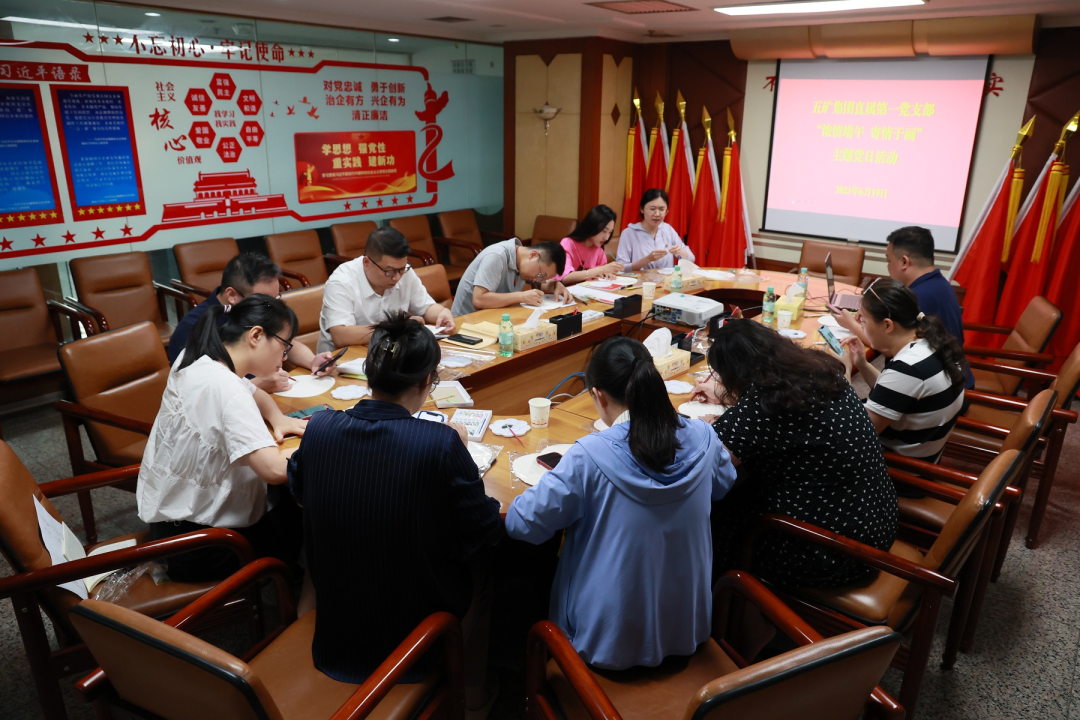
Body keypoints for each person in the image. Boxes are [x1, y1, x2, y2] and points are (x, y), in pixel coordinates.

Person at [289, 312, 501, 711]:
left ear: (369, 374)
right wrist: (461, 454)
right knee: (484, 571)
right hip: (412, 645)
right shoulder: (439, 443)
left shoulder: (318, 428)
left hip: (335, 633)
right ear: (425, 382)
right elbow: (486, 527)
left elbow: (300, 490)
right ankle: (470, 699)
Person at [505, 336, 737, 670]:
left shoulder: (589, 455)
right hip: (685, 631)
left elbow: (521, 523)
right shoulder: (703, 436)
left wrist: (560, 479)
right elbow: (723, 484)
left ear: (598, 396)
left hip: (604, 646)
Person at [692, 320, 897, 588]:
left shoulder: (763, 407)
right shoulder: (821, 373)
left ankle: (725, 602)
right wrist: (728, 396)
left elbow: (709, 464)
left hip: (831, 552)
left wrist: (704, 428)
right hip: (875, 522)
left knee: (713, 514)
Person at [138, 295, 308, 582]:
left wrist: (278, 418)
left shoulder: (198, 358)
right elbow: (275, 470)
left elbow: (252, 391)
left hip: (171, 525)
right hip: (202, 546)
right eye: (284, 345)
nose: (284, 357)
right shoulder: (225, 388)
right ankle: (289, 590)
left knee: (288, 503)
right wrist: (326, 443)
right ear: (256, 335)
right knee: (308, 514)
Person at [168, 252, 338, 393]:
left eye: (276, 298)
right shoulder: (192, 329)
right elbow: (199, 393)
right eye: (264, 300)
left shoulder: (257, 311)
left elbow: (285, 342)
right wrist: (258, 384)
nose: (271, 307)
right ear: (232, 295)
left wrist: (312, 361)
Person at [840, 278, 966, 461]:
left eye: (864, 320)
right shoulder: (930, 342)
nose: (861, 326)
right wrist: (862, 364)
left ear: (887, 325)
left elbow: (855, 435)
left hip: (901, 467)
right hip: (921, 447)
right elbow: (894, 392)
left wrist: (845, 373)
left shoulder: (908, 369)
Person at [832, 226, 973, 388]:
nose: (888, 267)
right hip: (950, 375)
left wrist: (851, 324)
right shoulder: (938, 284)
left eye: (889, 261)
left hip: (943, 388)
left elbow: (887, 347)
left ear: (904, 262)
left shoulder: (919, 297)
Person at [318, 227, 456, 352]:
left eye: (401, 269)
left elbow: (426, 308)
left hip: (389, 352)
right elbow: (341, 336)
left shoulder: (404, 272)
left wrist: (442, 313)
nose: (397, 278)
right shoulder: (341, 282)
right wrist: (398, 327)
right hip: (342, 360)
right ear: (366, 262)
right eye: (389, 271)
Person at [451, 238, 571, 316]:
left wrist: (555, 285)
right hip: (466, 323)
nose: (537, 279)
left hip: (492, 318)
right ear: (533, 255)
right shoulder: (496, 256)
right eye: (541, 274)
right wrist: (521, 296)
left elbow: (540, 284)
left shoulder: (522, 261)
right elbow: (479, 300)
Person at [616, 188, 695, 271]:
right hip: (641, 279)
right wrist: (648, 259)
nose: (657, 214)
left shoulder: (668, 229)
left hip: (667, 279)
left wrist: (680, 251)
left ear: (666, 211)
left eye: (661, 209)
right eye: (652, 209)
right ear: (642, 209)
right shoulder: (629, 233)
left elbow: (691, 258)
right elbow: (621, 268)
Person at [558, 204, 624, 285]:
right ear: (592, 226)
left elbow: (600, 274)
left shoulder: (598, 249)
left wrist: (606, 274)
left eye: (610, 232)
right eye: (604, 231)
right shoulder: (568, 243)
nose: (606, 237)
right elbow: (565, 278)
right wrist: (601, 270)